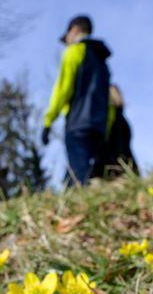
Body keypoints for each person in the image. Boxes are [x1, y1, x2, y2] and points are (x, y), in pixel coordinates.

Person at [41, 15, 112, 185]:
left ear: (74, 30)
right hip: (99, 125)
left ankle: (86, 208)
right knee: (82, 171)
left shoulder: (74, 52)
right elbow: (107, 98)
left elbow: (63, 89)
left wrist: (48, 121)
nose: (67, 42)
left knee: (80, 175)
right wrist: (107, 127)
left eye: (67, 38)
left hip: (78, 122)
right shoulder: (102, 62)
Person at [92, 84, 140, 178]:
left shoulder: (114, 119)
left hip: (114, 163)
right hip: (125, 162)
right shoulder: (123, 120)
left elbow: (115, 145)